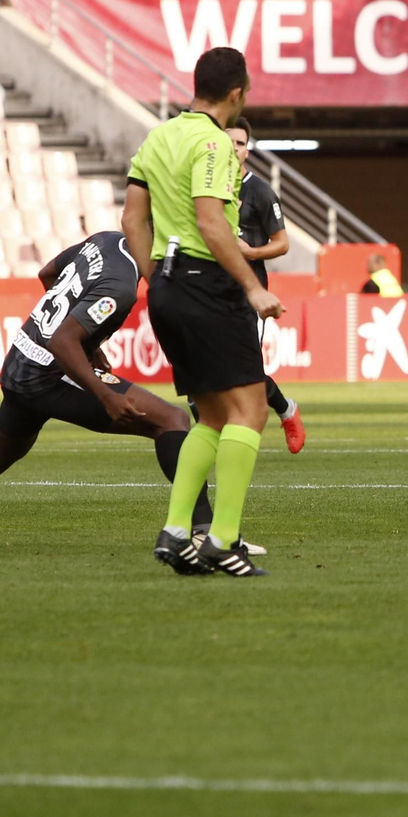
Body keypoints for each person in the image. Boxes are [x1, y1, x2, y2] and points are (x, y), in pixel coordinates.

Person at [0, 233, 232, 554]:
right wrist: (105, 394)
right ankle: (205, 532)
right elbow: (62, 341)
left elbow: (47, 273)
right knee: (171, 419)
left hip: (23, 358)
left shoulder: (105, 240)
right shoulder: (121, 287)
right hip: (48, 372)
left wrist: (87, 341)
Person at [121, 46, 283, 578]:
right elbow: (212, 223)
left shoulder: (159, 135)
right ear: (237, 93)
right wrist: (252, 289)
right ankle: (222, 539)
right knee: (251, 412)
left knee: (212, 415)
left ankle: (175, 531)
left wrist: (154, 279)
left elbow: (132, 220)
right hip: (207, 284)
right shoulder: (214, 142)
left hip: (168, 286)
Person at [226, 117, 305, 454]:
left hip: (249, 295)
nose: (235, 149)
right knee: (206, 368)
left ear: (247, 150)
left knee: (247, 371)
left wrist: (252, 251)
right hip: (210, 293)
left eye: (241, 144)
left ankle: (286, 409)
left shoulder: (259, 191)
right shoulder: (204, 187)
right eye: (229, 142)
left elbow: (283, 243)